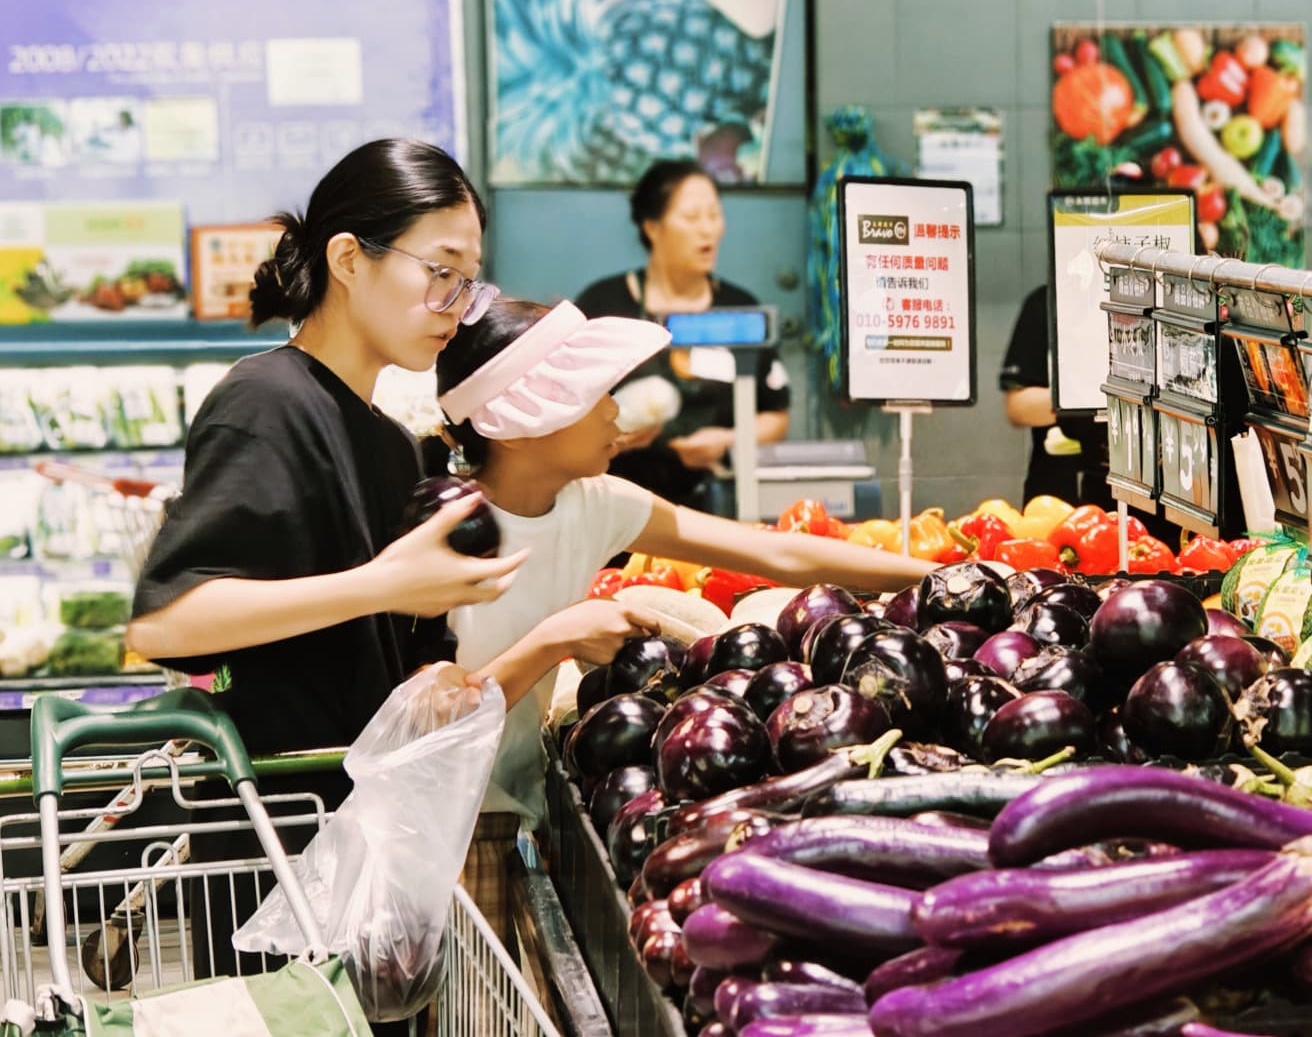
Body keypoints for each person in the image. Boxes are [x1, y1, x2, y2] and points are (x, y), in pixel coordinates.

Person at [127, 140, 657, 1007]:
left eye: (468, 281)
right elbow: (171, 619)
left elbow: (395, 648)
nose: (456, 305)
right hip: (266, 856)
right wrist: (387, 585)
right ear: (347, 259)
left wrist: (438, 666)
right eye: (439, 273)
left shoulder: (387, 442)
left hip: (355, 856)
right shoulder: (266, 403)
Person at [434, 293, 933, 940]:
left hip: (523, 809)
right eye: (597, 396)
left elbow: (772, 550)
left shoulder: (595, 503)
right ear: (532, 417)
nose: (617, 411)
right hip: (450, 832)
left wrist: (930, 576)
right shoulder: (441, 532)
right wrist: (554, 639)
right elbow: (425, 718)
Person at [576, 159, 791, 508]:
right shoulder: (604, 304)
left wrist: (728, 440)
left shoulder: (740, 308)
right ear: (652, 227)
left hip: (719, 504)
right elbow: (567, 414)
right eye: (692, 218)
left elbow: (776, 415)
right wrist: (616, 438)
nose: (708, 229)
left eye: (714, 215)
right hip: (617, 503)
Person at [1000, 284, 1112, 506]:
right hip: (1058, 491)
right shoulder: (1047, 301)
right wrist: (1090, 393)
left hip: (1151, 498)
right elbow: (1018, 407)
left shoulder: (1166, 296)